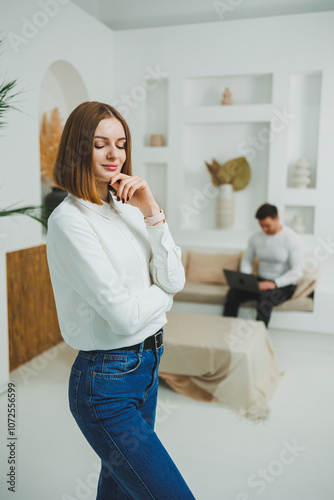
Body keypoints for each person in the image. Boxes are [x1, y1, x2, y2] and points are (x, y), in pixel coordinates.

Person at [46, 101, 195, 499]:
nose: (115, 154)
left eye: (121, 143)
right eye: (99, 144)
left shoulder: (129, 209)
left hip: (148, 366)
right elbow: (125, 318)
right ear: (78, 149)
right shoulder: (69, 222)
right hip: (105, 383)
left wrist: (151, 209)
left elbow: (175, 276)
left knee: (121, 490)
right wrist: (164, 294)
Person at [223, 203, 304, 328]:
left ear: (277, 219)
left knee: (264, 300)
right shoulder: (256, 238)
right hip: (261, 281)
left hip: (284, 285)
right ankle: (225, 330)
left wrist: (275, 283)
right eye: (261, 226)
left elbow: (297, 271)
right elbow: (247, 260)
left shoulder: (292, 239)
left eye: (267, 225)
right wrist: (246, 279)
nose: (264, 229)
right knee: (233, 293)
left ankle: (258, 339)